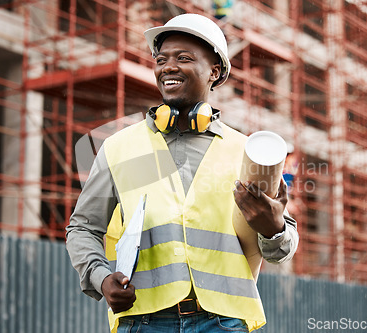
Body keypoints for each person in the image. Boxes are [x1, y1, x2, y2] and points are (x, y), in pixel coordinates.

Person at [66, 13, 299, 333]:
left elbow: (282, 250)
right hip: (144, 320)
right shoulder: (120, 148)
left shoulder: (245, 152)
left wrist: (273, 230)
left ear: (214, 71)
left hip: (223, 321)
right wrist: (100, 276)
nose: (168, 67)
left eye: (184, 58)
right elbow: (82, 228)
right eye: (161, 59)